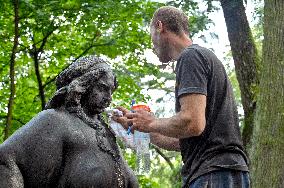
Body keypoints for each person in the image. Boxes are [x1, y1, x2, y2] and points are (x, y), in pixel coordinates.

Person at [113, 6, 250, 188]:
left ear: (159, 26)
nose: (152, 45)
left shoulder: (190, 56)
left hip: (212, 173)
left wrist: (151, 121)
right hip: (227, 172)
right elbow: (184, 139)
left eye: (151, 36)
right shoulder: (204, 57)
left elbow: (193, 122)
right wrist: (142, 128)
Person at [0, 55, 138, 188]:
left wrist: (144, 136)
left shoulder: (106, 133)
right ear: (84, 84)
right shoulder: (55, 120)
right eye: (102, 88)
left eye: (111, 91)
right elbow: (5, 158)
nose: (109, 98)